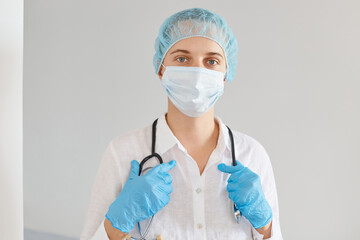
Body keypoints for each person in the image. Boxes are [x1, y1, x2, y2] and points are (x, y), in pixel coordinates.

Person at [80, 7, 283, 240]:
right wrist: (118, 223)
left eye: (211, 61)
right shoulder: (124, 152)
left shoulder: (252, 155)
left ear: (225, 74)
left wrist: (266, 227)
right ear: (160, 69)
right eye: (182, 58)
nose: (197, 72)